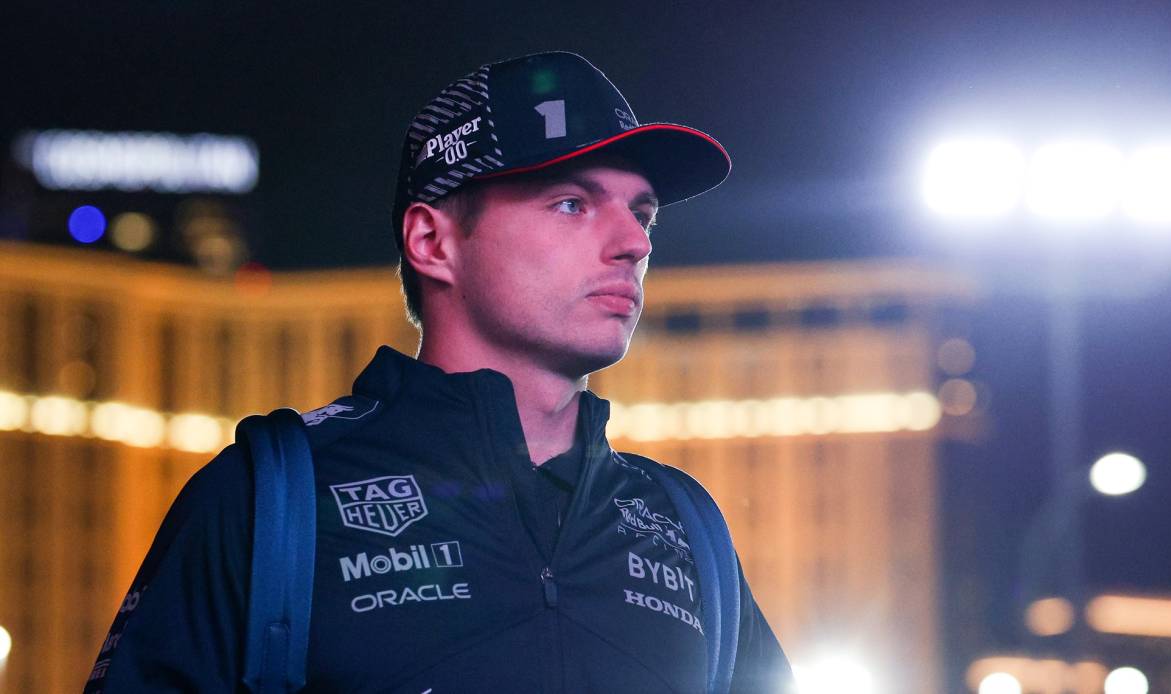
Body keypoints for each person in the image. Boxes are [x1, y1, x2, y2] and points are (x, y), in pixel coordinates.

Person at [86, 51, 794, 693]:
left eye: (643, 214)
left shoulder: (685, 527)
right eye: (571, 204)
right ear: (431, 241)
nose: (634, 242)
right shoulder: (269, 496)